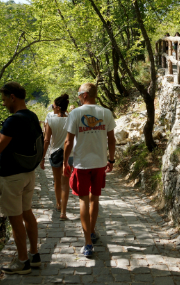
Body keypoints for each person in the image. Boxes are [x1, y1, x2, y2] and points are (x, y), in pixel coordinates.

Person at [0, 82, 42, 275]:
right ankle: (34, 255)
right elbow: (19, 142)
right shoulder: (31, 116)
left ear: (12, 97)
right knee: (27, 213)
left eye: (4, 99)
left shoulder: (13, 120)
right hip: (28, 174)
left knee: (15, 219)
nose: (4, 104)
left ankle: (22, 262)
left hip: (12, 177)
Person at [63, 83, 116, 258]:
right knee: (95, 199)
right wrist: (111, 160)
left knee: (83, 201)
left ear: (85, 95)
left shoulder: (75, 113)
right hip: (100, 162)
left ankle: (87, 243)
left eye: (79, 94)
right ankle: (91, 232)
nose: (78, 97)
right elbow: (111, 139)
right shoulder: (105, 112)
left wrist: (65, 162)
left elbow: (68, 142)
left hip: (81, 164)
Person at [43, 94, 74, 220]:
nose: (53, 107)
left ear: (57, 107)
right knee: (65, 183)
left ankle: (58, 204)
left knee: (56, 181)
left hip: (54, 154)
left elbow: (46, 140)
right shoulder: (72, 120)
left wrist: (42, 157)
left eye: (53, 105)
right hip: (69, 155)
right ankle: (64, 213)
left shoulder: (51, 120)